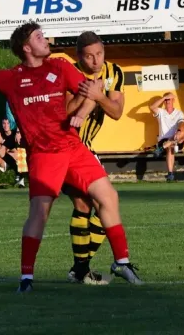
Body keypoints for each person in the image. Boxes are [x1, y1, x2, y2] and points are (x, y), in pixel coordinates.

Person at [0, 21, 143, 293]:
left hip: (73, 146)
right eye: (39, 36)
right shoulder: (11, 77)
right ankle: (27, 279)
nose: (46, 40)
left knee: (108, 196)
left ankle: (121, 262)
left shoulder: (60, 66)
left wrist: (83, 111)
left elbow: (90, 91)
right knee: (40, 213)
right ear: (26, 47)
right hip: (44, 154)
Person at [62, 31, 125, 286]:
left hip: (86, 148)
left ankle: (80, 269)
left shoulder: (114, 73)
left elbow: (117, 112)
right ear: (79, 57)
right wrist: (86, 96)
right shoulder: (68, 74)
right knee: (86, 204)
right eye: (89, 56)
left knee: (99, 206)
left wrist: (99, 96)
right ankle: (80, 269)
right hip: (65, 148)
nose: (96, 60)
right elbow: (65, 112)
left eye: (99, 54)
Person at [149, 92, 184, 181]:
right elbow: (152, 107)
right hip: (164, 140)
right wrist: (164, 97)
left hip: (176, 138)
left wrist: (178, 131)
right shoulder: (161, 112)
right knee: (170, 148)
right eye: (165, 99)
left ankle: (162, 148)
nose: (167, 101)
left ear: (173, 100)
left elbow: (182, 123)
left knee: (182, 133)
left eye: (169, 99)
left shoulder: (179, 113)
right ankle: (170, 174)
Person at [0, 118, 26, 188]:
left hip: (15, 157)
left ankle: (21, 183)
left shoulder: (16, 134)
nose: (6, 125)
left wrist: (3, 142)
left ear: (11, 124)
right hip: (5, 158)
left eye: (8, 123)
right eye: (4, 123)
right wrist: (8, 151)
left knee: (21, 155)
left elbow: (17, 150)